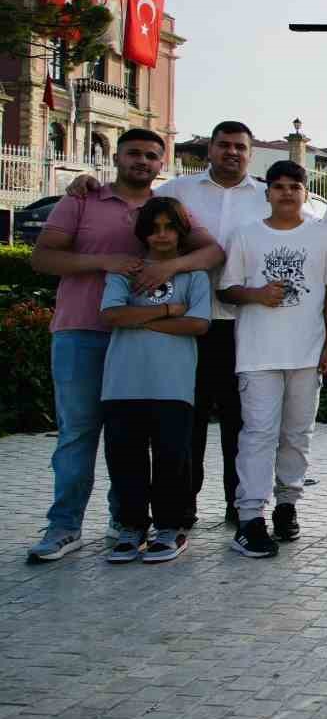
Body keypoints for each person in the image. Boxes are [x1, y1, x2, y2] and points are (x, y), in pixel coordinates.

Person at [26, 128, 222, 565]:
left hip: (144, 343)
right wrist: (104, 261)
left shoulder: (164, 207)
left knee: (128, 438)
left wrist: (170, 268)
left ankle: (125, 523)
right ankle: (64, 526)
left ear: (160, 163)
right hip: (82, 330)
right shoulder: (83, 198)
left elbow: (212, 252)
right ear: (116, 156)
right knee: (78, 433)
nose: (142, 161)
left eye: (152, 155)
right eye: (134, 153)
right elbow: (42, 257)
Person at [63, 121, 268, 528]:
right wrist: (88, 182)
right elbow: (135, 197)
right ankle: (180, 509)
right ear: (210, 149)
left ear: (250, 153)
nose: (231, 152)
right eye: (223, 145)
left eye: (240, 147)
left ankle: (240, 505)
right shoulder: (177, 190)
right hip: (185, 323)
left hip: (243, 323)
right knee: (185, 423)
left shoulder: (266, 196)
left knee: (240, 421)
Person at [219, 161, 327, 558]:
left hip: (306, 353)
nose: (287, 192)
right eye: (279, 186)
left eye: (294, 186)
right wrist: (256, 294)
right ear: (267, 192)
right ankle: (250, 517)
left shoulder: (324, 235)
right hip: (258, 354)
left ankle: (287, 505)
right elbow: (227, 289)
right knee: (258, 434)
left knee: (297, 434)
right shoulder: (246, 235)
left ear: (305, 192)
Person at [100, 197, 212, 563]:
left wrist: (140, 318)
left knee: (172, 458)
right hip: (122, 383)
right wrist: (166, 311)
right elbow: (112, 315)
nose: (162, 235)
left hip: (172, 385)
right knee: (125, 459)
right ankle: (131, 527)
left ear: (181, 232)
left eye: (169, 228)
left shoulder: (194, 276)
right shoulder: (126, 272)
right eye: (154, 228)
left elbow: (198, 323)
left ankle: (169, 528)